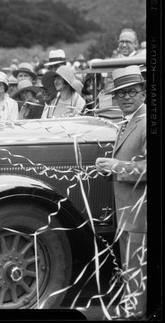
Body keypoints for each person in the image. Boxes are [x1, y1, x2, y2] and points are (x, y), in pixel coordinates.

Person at [95, 65, 146, 319]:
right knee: (130, 267)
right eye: (121, 93)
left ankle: (134, 315)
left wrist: (116, 166)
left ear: (143, 93)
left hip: (140, 215)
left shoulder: (146, 123)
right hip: (128, 213)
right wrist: (110, 168)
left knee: (136, 269)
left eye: (132, 92)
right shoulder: (128, 123)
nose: (126, 97)